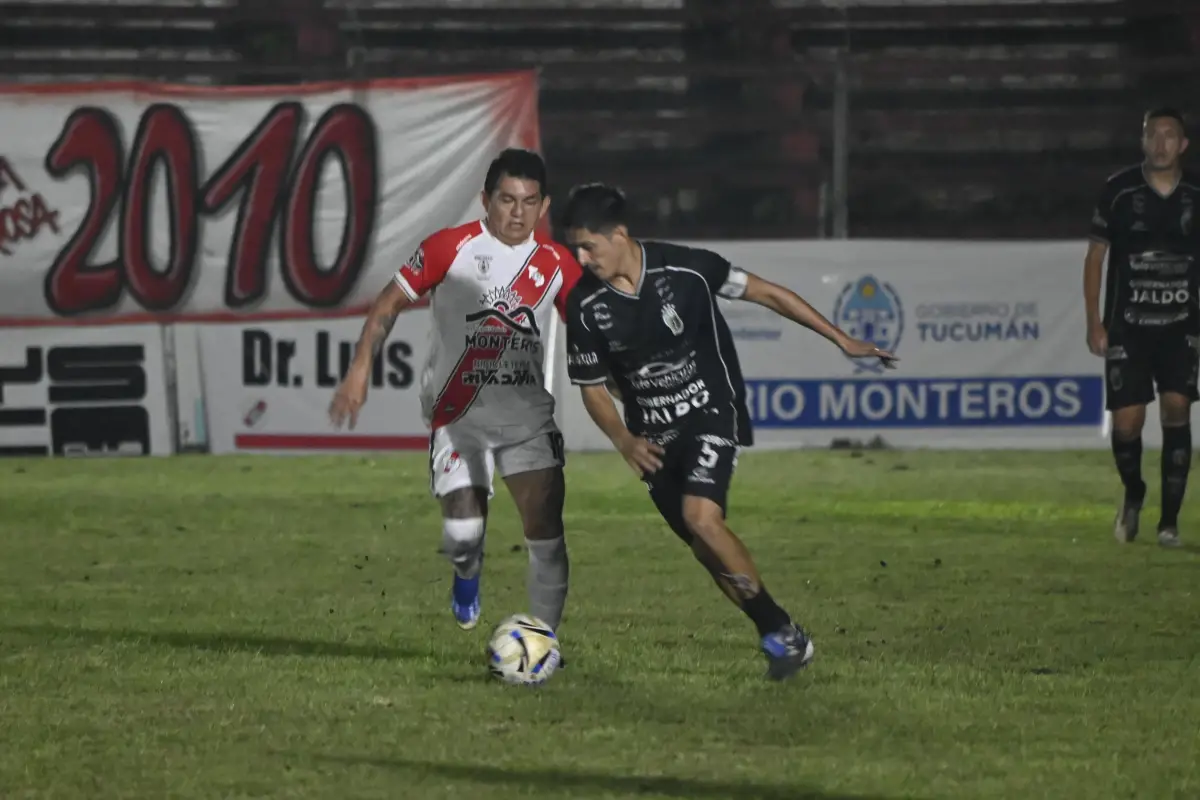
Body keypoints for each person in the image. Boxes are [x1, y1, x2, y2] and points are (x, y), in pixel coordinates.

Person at [559, 183, 895, 680]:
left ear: (620, 235)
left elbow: (768, 293)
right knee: (704, 548)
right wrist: (624, 440)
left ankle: (780, 633)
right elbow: (592, 390)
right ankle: (781, 633)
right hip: (651, 438)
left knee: (702, 518)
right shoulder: (585, 307)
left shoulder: (688, 269)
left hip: (710, 412)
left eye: (589, 246)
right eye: (575, 249)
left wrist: (840, 337)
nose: (582, 258)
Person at [330, 148, 583, 633]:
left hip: (528, 419)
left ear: (544, 206)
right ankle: (467, 572)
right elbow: (389, 300)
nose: (517, 212)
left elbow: (591, 335)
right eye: (507, 199)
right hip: (459, 413)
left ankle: (543, 642)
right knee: (464, 531)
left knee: (547, 532)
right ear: (485, 198)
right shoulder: (450, 247)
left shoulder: (557, 265)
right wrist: (360, 367)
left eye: (529, 202)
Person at [1084, 107, 1199, 549]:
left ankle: (1169, 523)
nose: (1162, 143)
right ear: (1143, 142)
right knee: (1128, 424)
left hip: (1181, 325)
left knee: (1177, 410)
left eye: (1171, 136)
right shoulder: (1119, 191)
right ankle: (1134, 491)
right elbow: (1095, 258)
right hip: (1128, 328)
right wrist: (1095, 321)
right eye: (1154, 135)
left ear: (1183, 145)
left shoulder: (1196, 193)